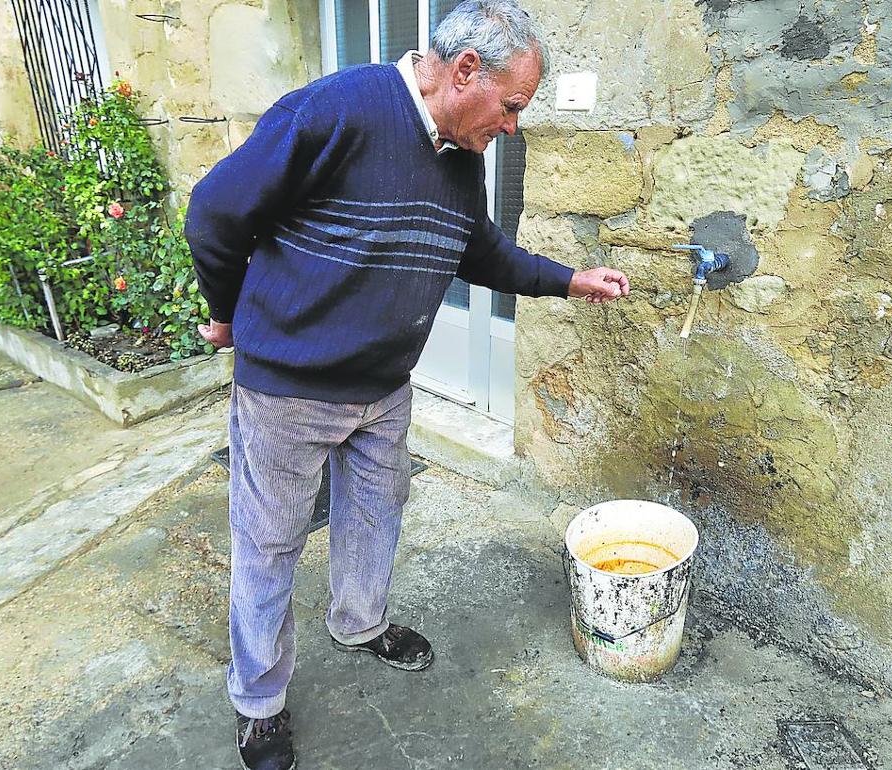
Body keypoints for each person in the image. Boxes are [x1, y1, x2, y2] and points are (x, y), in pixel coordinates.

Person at [185, 1, 629, 767]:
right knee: (269, 545)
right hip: (289, 390)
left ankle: (358, 624)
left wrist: (567, 281)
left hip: (385, 389)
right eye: (513, 106)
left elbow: (478, 250)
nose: (513, 126)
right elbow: (214, 212)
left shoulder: (462, 155)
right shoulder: (336, 110)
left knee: (376, 517)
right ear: (464, 72)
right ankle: (258, 702)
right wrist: (226, 315)